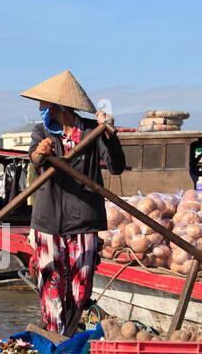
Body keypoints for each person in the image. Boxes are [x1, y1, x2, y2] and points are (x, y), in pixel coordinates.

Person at [22, 70, 126, 335]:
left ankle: (65, 334)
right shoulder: (42, 132)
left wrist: (108, 134)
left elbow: (116, 167)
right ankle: (57, 338)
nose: (40, 109)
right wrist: (40, 153)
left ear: (58, 107)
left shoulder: (92, 131)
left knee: (80, 291)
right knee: (51, 286)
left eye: (44, 104)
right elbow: (34, 162)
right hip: (48, 221)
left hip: (83, 220)